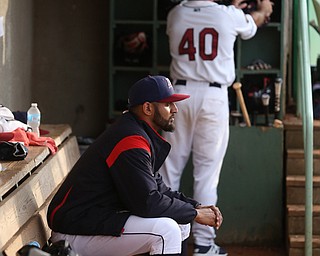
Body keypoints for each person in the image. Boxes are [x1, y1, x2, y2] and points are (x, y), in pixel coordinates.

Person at [46, 75, 223, 256]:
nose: (175, 109)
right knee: (166, 231)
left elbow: (159, 189)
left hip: (94, 220)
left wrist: (195, 207)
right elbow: (148, 202)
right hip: (74, 231)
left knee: (180, 222)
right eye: (168, 104)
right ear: (147, 108)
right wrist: (194, 213)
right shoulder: (130, 139)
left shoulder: (135, 131)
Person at [159, 1, 274, 255]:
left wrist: (230, 9)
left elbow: (202, 18)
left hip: (178, 95)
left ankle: (168, 241)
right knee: (206, 174)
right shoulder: (228, 15)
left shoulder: (175, 13)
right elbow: (251, 23)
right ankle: (203, 244)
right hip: (213, 97)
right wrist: (263, 10)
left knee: (169, 171)